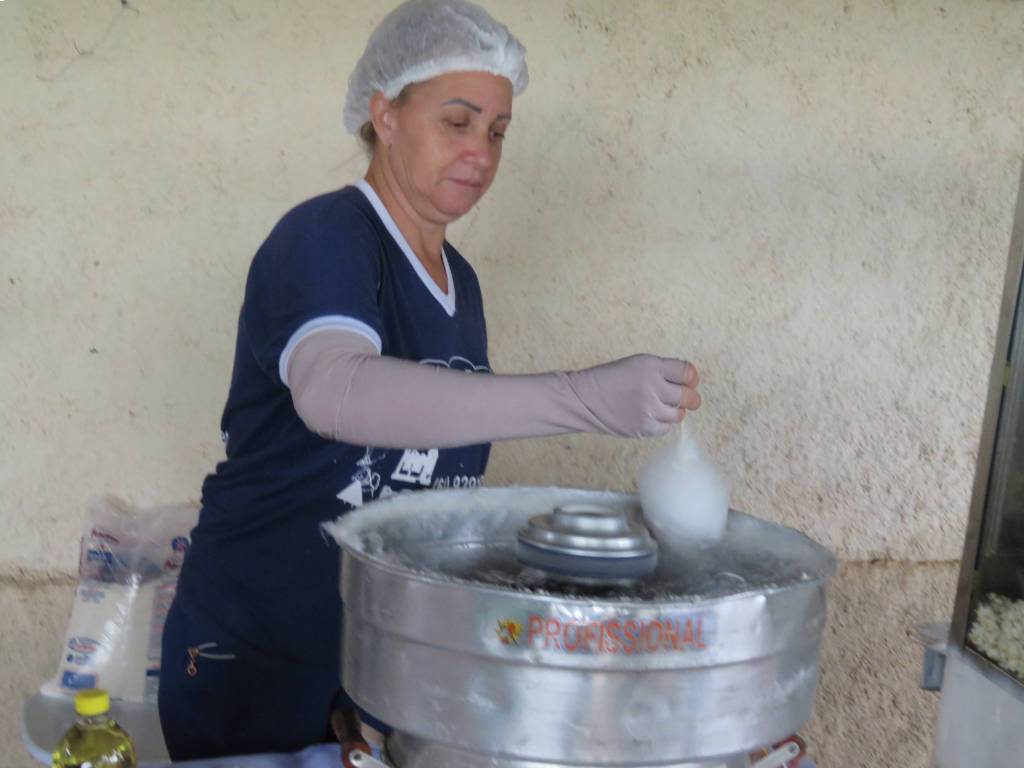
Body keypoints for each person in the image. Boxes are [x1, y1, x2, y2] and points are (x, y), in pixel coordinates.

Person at [158, 0, 702, 760]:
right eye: (456, 121)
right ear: (385, 115)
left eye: (498, 131)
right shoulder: (326, 237)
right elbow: (337, 391)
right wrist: (580, 399)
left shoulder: (461, 285)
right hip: (259, 656)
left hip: (378, 667)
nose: (481, 151)